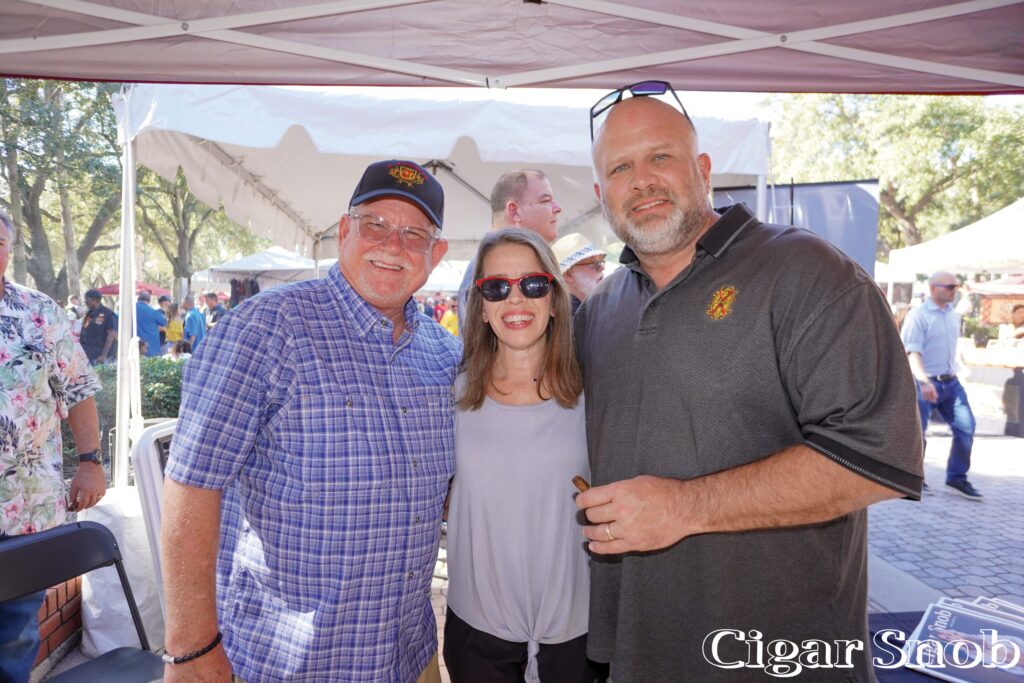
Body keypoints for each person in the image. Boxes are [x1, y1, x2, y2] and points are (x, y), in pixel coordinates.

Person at [574, 87, 924, 681]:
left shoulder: (809, 273)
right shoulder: (601, 307)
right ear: (601, 193)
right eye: (620, 167)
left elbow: (877, 459)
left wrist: (686, 506)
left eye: (661, 157)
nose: (643, 181)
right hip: (635, 655)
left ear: (702, 170)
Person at [161, 160, 458, 683]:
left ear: (436, 255)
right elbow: (190, 485)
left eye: (414, 234)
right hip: (290, 660)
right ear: (345, 231)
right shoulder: (265, 329)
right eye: (375, 225)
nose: (393, 245)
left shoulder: (444, 353)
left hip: (406, 652)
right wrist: (190, 647)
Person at [444, 228, 593, 683]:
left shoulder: (596, 391)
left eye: (531, 284)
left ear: (553, 295)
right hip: (477, 632)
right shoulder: (451, 394)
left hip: (576, 631)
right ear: (482, 308)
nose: (515, 300)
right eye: (496, 287)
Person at [0, 210, 104, 683]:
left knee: (15, 636)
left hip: (24, 510)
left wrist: (90, 462)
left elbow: (79, 391)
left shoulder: (39, 312)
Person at [902, 272, 982, 500]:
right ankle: (913, 478)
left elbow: (962, 312)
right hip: (925, 382)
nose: (953, 290)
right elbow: (912, 351)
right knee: (918, 433)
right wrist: (924, 381)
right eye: (949, 287)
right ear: (933, 288)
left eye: (955, 287)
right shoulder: (919, 316)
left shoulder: (951, 315)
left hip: (951, 382)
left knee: (966, 428)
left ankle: (956, 477)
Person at [457, 170, 562, 332]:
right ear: (514, 211)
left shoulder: (483, 266)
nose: (557, 208)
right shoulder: (481, 270)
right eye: (546, 200)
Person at [551, 232, 606, 316]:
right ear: (567, 275)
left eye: (601, 261)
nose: (602, 267)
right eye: (593, 263)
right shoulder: (569, 321)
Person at [79, 288, 118, 365]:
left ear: (95, 300)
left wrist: (103, 355)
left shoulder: (108, 314)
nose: (85, 302)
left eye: (87, 299)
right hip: (87, 354)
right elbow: (84, 331)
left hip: (101, 356)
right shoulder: (88, 314)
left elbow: (111, 335)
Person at [135, 290, 167, 358]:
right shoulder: (152, 312)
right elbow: (165, 322)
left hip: (133, 347)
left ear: (138, 299)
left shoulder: (130, 310)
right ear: (149, 301)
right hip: (151, 348)